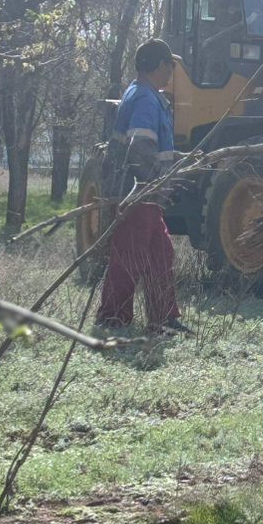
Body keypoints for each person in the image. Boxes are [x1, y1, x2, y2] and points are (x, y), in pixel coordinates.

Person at [96, 39, 189, 337]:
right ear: (159, 65)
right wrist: (156, 179)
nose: (172, 73)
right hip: (139, 192)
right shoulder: (147, 99)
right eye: (170, 66)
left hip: (146, 194)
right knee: (130, 256)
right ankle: (112, 319)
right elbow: (141, 146)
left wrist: (180, 160)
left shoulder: (140, 93)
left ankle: (163, 318)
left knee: (161, 253)